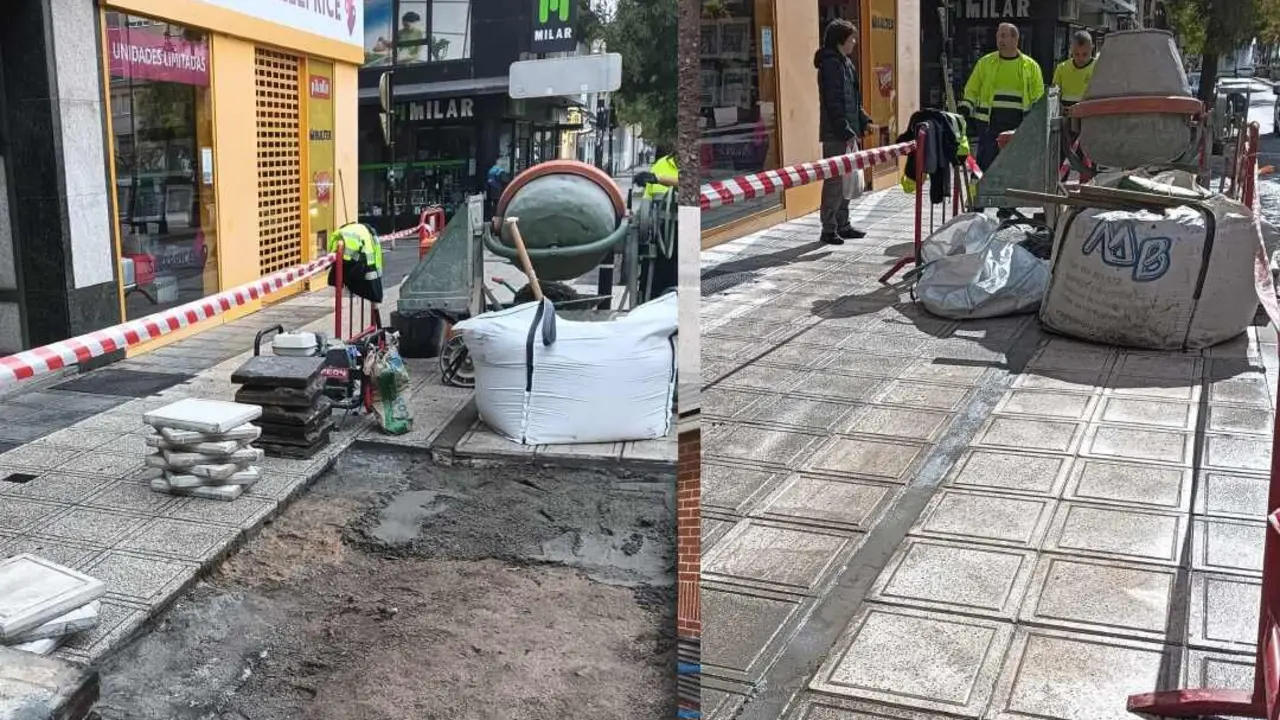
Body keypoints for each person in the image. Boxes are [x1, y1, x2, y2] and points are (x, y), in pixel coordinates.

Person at [814, 18, 874, 245]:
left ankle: (843, 223)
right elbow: (833, 102)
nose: (855, 42)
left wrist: (864, 120)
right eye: (852, 38)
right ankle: (828, 228)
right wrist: (844, 129)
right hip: (835, 134)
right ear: (841, 40)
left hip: (849, 131)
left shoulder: (847, 63)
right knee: (835, 181)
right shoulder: (830, 65)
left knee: (847, 179)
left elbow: (854, 100)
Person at [958, 23, 1045, 174]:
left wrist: (1033, 122)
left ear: (1015, 39)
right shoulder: (985, 63)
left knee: (1015, 168)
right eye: (998, 36)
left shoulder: (1031, 66)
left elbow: (1038, 97)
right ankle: (980, 196)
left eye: (1004, 36)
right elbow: (972, 88)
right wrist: (966, 106)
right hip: (989, 125)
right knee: (985, 168)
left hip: (1018, 125)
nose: (1000, 40)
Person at [1052, 30, 1097, 178]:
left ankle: (1087, 190)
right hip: (1066, 121)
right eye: (1076, 54)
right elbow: (1055, 94)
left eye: (1085, 54)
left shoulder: (1097, 69)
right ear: (1071, 50)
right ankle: (1059, 189)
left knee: (1088, 158)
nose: (1080, 58)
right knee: (1062, 158)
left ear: (1092, 49)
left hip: (1089, 121)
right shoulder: (1062, 68)